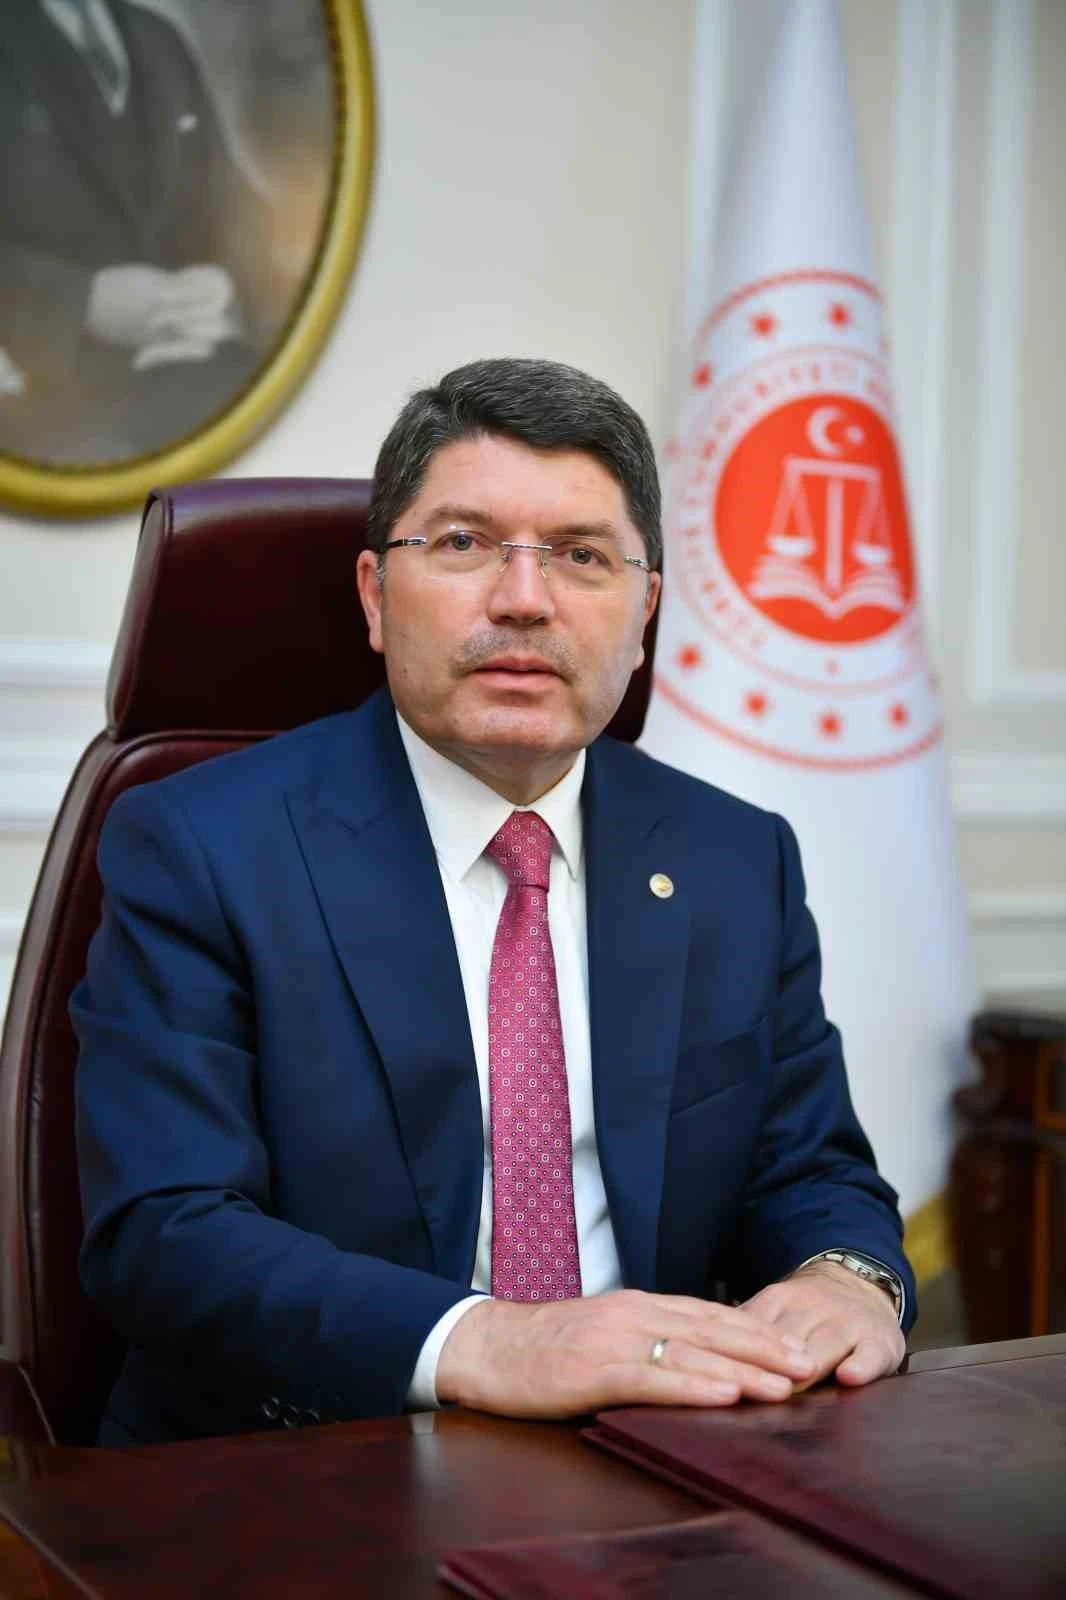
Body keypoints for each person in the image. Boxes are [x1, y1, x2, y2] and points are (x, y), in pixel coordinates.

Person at [73, 357, 914, 1447]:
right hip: (308, 1462)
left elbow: (809, 1167)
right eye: (465, 543)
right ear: (375, 596)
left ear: (645, 614)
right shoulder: (199, 845)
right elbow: (165, 1232)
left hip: (657, 1448)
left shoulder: (732, 857)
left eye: (581, 555)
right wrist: (492, 1345)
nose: (524, 598)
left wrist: (846, 1277)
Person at [0, 0, 272, 465]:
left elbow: (233, 206)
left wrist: (226, 289)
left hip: (197, 378)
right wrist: (85, 302)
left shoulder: (156, 38)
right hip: (49, 408)